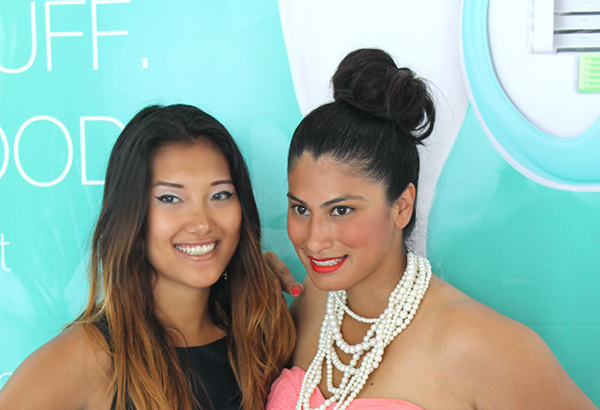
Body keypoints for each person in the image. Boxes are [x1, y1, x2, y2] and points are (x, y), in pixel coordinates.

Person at [266, 49, 596, 410]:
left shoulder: (476, 345)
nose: (314, 240)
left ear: (402, 206)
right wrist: (242, 283)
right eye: (301, 208)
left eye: (341, 210)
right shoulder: (312, 303)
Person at [0, 104, 295, 410]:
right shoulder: (93, 356)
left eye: (219, 195)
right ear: (132, 214)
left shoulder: (261, 333)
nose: (202, 223)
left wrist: (255, 280)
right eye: (170, 198)